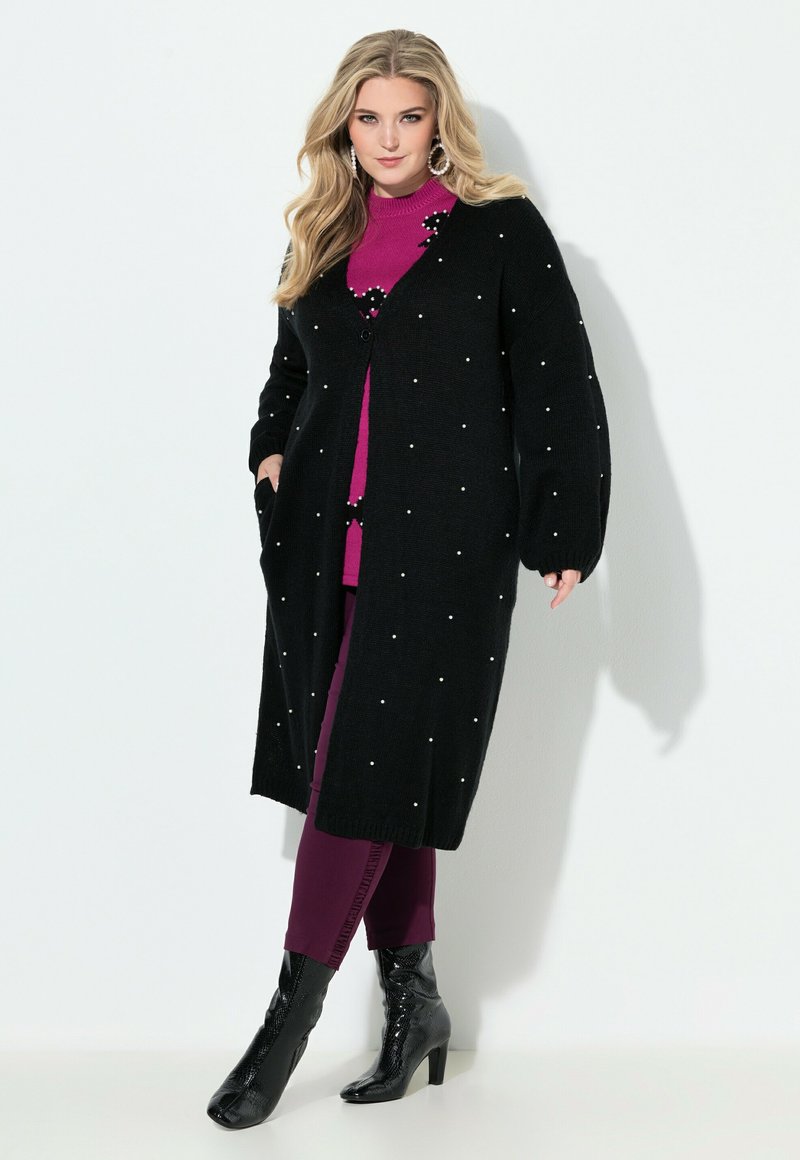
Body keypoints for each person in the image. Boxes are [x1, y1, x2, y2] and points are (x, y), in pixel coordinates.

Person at [207, 28, 612, 1130]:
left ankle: (284, 1024)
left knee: (360, 777)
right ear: (346, 124)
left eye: (410, 117)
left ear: (440, 123)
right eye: (369, 117)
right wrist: (269, 451)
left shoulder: (498, 231)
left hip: (440, 553)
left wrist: (563, 526)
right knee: (381, 776)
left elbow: (557, 382)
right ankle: (415, 1004)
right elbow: (290, 369)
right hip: (318, 554)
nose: (388, 138)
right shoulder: (325, 231)